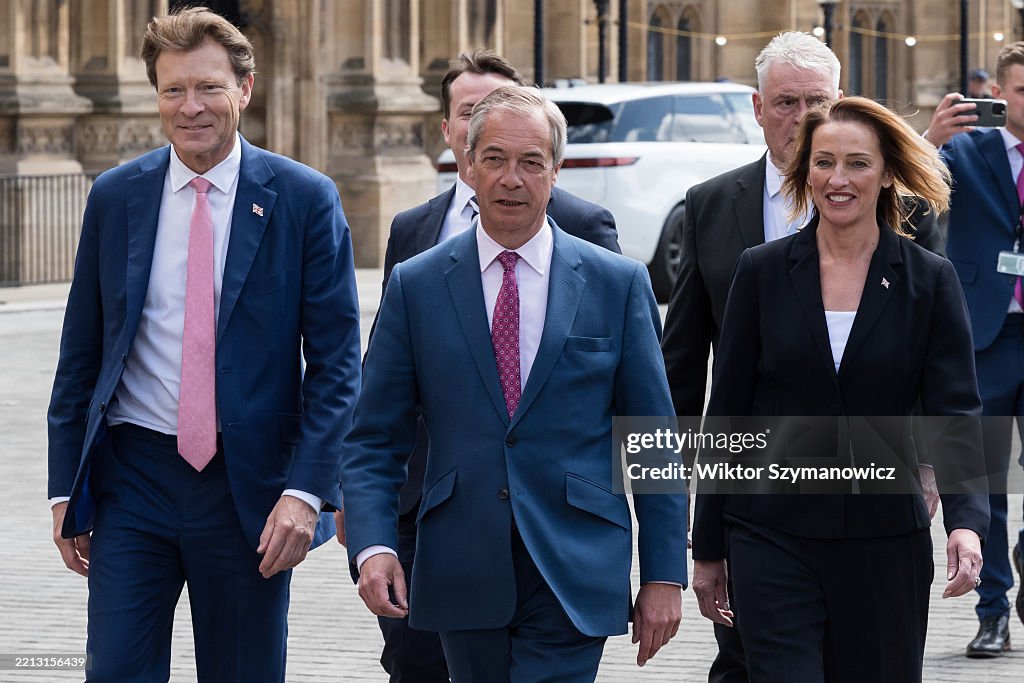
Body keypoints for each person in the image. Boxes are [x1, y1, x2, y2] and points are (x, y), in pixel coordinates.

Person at [46, 8, 361, 681]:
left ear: (245, 89)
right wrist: (61, 490)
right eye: (173, 90)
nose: (191, 107)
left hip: (249, 493)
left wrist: (307, 492)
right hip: (134, 482)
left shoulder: (305, 199)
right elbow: (80, 352)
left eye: (209, 87)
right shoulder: (115, 196)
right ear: (155, 95)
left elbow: (336, 367)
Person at [339, 85, 687, 683]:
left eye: (531, 162)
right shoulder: (415, 286)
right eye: (495, 159)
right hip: (460, 560)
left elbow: (652, 440)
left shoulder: (616, 284)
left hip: (575, 562)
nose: (511, 179)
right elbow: (374, 437)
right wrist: (371, 546)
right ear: (468, 165)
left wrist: (663, 574)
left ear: (556, 170)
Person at [662, 31, 941, 683]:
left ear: (841, 102)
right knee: (752, 660)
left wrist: (932, 469)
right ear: (757, 107)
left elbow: (932, 356)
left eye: (817, 101)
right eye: (786, 101)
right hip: (760, 503)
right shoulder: (711, 205)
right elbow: (684, 376)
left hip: (872, 501)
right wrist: (677, 514)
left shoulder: (905, 213)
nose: (802, 117)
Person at [691, 96, 989, 682]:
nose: (838, 178)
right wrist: (707, 548)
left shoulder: (929, 281)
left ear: (886, 176)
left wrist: (966, 522)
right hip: (770, 532)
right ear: (805, 172)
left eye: (857, 163)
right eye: (823, 162)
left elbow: (954, 411)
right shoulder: (762, 271)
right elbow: (727, 412)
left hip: (884, 540)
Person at [924, 42, 1024, 657]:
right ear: (1001, 93)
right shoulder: (966, 149)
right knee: (983, 481)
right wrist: (929, 137)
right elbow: (908, 190)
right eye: (1020, 90)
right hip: (986, 334)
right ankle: (993, 612)